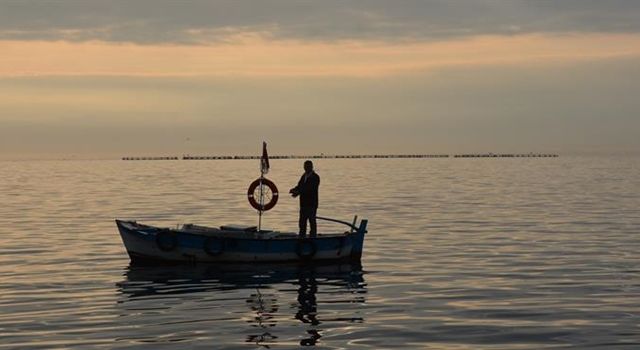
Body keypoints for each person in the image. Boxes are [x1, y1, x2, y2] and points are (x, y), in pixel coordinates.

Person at [289, 160, 320, 238]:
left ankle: (313, 238)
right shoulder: (303, 176)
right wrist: (294, 190)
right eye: (305, 166)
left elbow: (309, 189)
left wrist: (298, 192)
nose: (306, 168)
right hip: (303, 204)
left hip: (311, 204)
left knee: (312, 222)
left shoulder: (315, 177)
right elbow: (300, 186)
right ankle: (302, 238)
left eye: (308, 166)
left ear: (311, 167)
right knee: (302, 223)